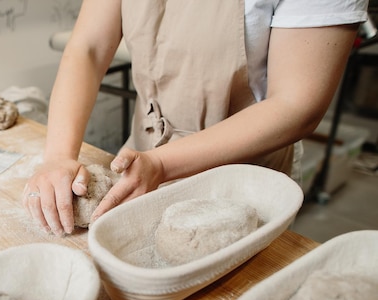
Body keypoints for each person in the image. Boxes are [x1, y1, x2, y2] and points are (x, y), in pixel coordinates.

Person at [23, 0, 369, 236]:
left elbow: (297, 104)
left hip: (240, 175)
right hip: (140, 159)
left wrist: (162, 164)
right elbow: (89, 47)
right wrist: (58, 156)